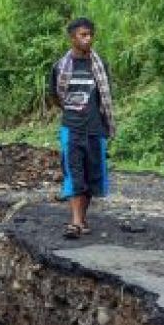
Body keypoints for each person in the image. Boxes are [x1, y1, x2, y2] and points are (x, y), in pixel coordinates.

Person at [47, 17, 116, 239]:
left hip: (96, 128)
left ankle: (82, 218)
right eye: (82, 35)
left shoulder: (100, 65)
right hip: (72, 128)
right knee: (74, 173)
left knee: (92, 176)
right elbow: (56, 96)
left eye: (89, 35)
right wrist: (73, 111)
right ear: (72, 38)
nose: (87, 39)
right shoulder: (61, 67)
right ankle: (75, 222)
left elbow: (105, 98)